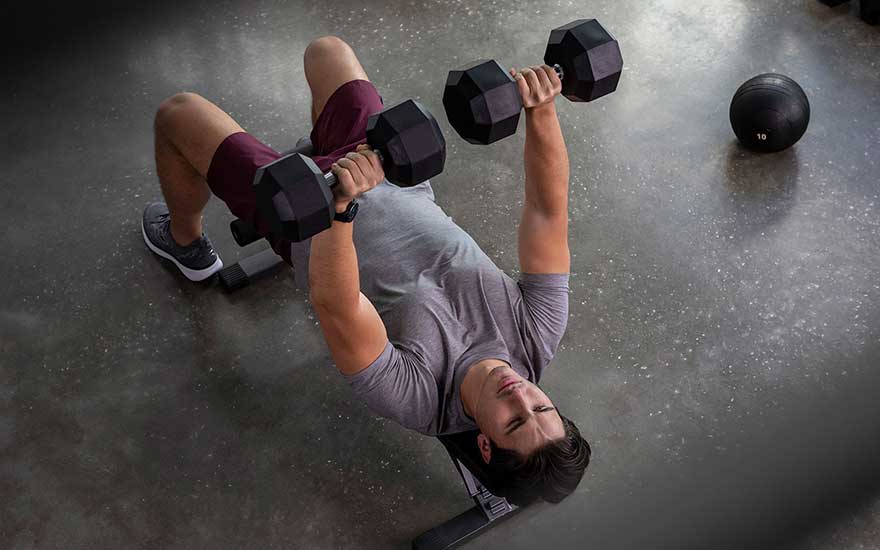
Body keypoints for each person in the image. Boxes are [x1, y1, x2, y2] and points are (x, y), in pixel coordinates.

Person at [142, 36, 590, 505]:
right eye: (541, 405)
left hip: (310, 221)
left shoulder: (415, 396)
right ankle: (318, 150)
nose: (520, 394)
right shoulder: (538, 332)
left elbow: (337, 304)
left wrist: (338, 205)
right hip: (392, 170)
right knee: (326, 51)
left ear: (484, 442)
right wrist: (541, 108)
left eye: (514, 420)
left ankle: (184, 243)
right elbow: (546, 211)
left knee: (178, 112)